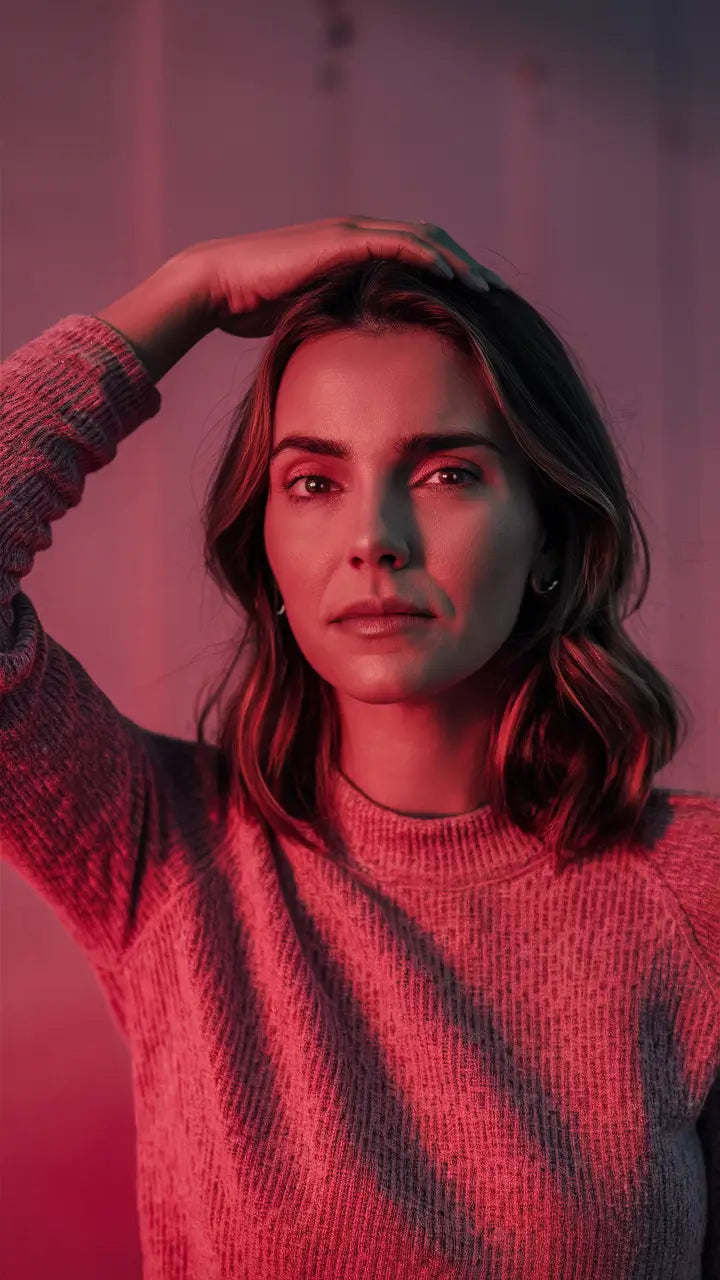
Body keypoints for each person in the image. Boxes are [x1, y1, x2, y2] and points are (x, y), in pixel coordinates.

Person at [1, 215, 717, 1279]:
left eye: (446, 473)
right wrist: (187, 294)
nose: (374, 535)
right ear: (269, 550)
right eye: (314, 480)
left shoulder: (693, 887)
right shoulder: (163, 852)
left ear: (552, 539)